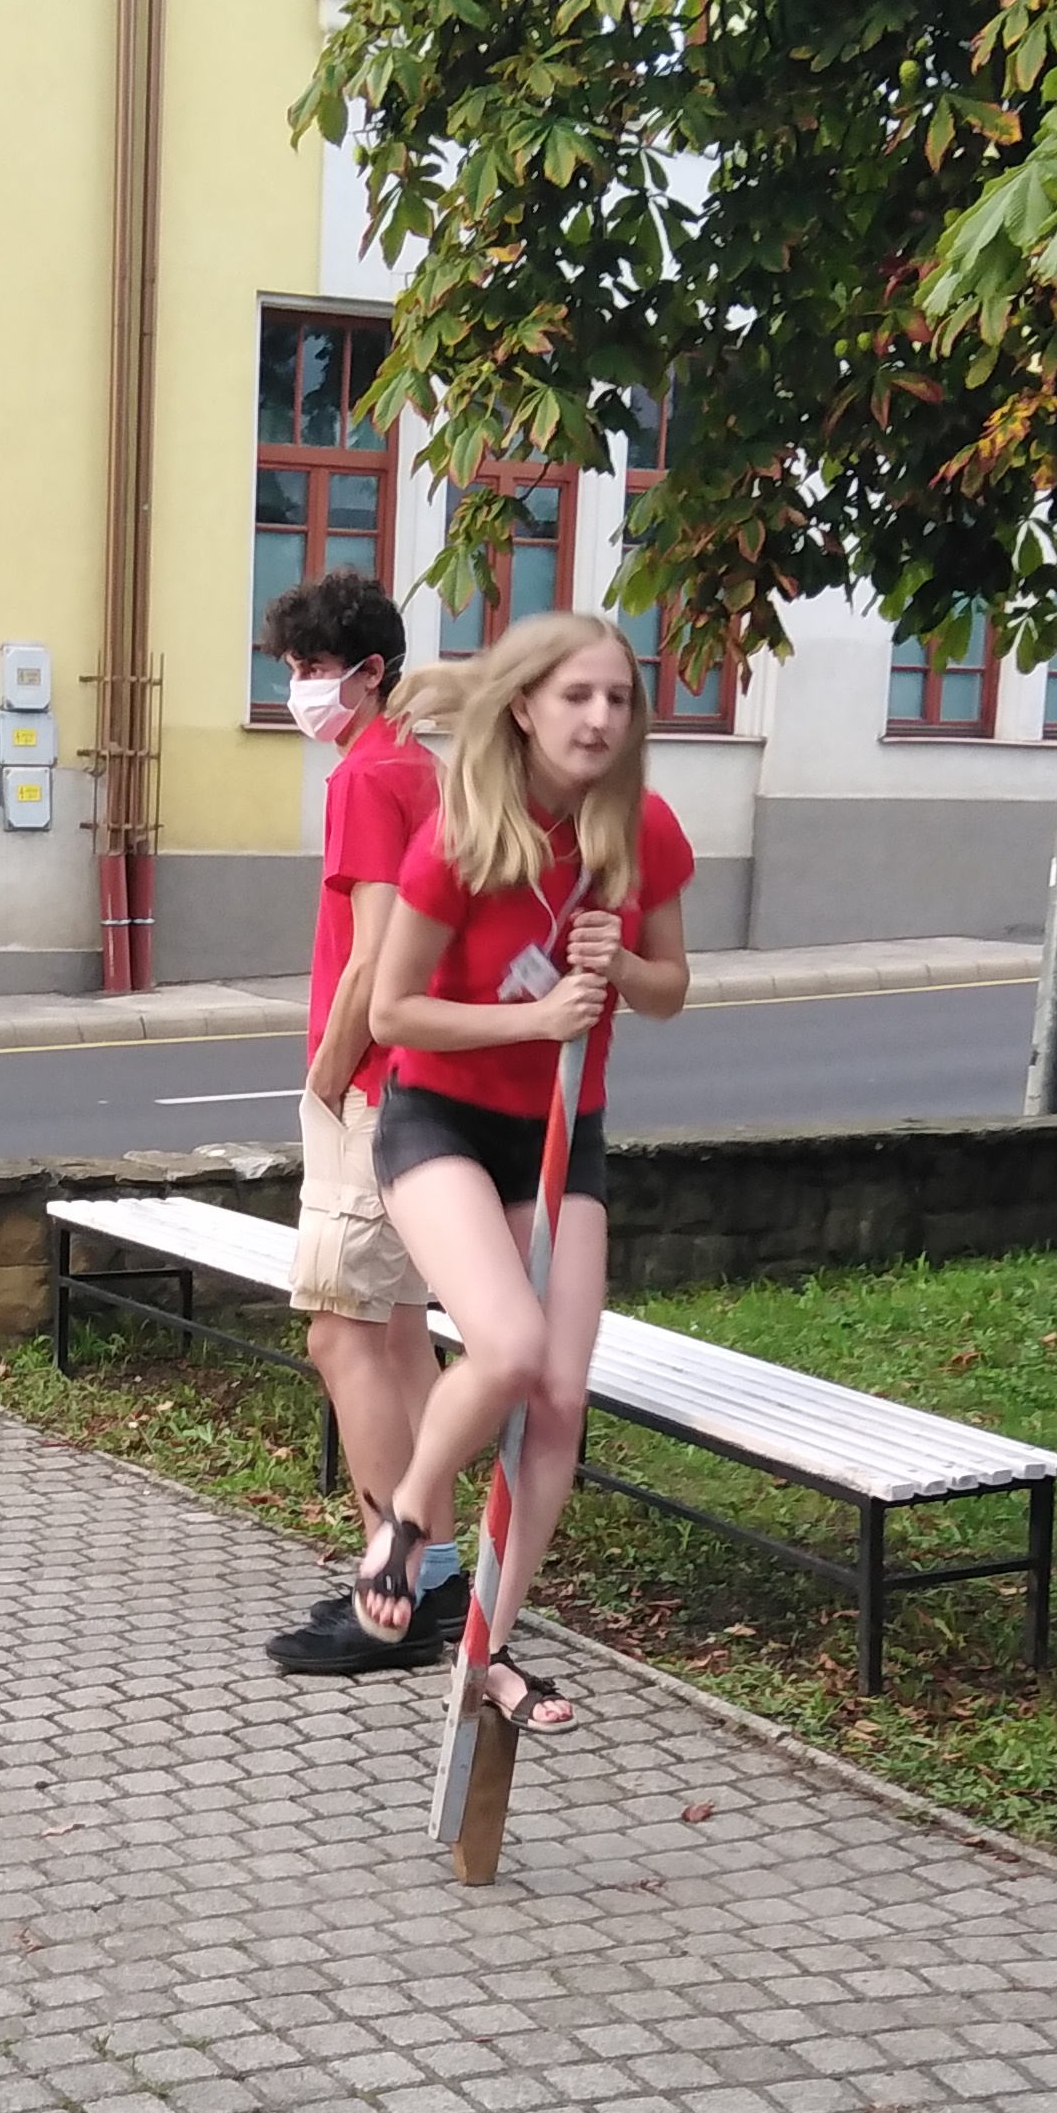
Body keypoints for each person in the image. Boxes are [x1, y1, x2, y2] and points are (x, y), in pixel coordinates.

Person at [352, 607, 694, 1726]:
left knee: (557, 1398)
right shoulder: (461, 835)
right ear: (524, 708)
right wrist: (537, 1018)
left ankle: (488, 1646)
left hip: (560, 1131)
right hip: (439, 1121)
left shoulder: (642, 831)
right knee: (505, 1347)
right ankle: (408, 1516)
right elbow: (393, 1011)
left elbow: (672, 989)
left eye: (619, 698)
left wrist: (623, 964)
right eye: (576, 696)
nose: (600, 718)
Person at [261, 583, 469, 1672]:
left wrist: (330, 1076)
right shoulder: (420, 769)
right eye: (292, 668)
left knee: (341, 1333)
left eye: (310, 668)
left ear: (370, 671)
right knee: (393, 1332)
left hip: (376, 1089)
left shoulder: (367, 776)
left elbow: (375, 954)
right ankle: (434, 1579)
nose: (298, 689)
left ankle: (397, 1592)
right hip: (425, 1086)